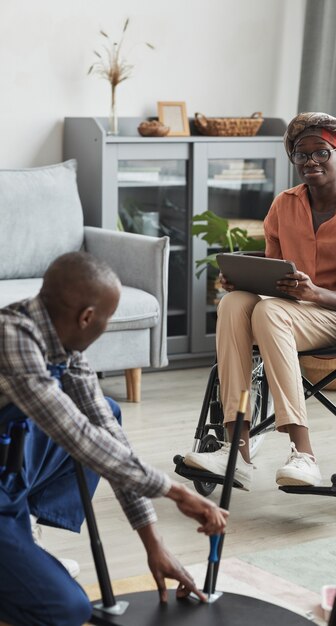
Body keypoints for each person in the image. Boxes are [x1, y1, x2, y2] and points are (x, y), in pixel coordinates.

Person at [0, 251, 228, 626]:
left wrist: (153, 544)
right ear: (87, 317)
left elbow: (107, 436)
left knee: (109, 413)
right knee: (66, 610)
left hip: (8, 479)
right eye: (107, 319)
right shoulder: (12, 338)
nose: (105, 327)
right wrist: (178, 493)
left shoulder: (63, 345)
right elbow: (76, 436)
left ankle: (21, 535)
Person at [183, 111, 336, 492]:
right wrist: (243, 279)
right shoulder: (284, 204)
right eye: (301, 154)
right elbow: (275, 269)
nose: (310, 161)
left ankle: (304, 453)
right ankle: (235, 452)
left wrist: (311, 293)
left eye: (321, 153)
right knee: (233, 304)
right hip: (286, 310)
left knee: (270, 310)